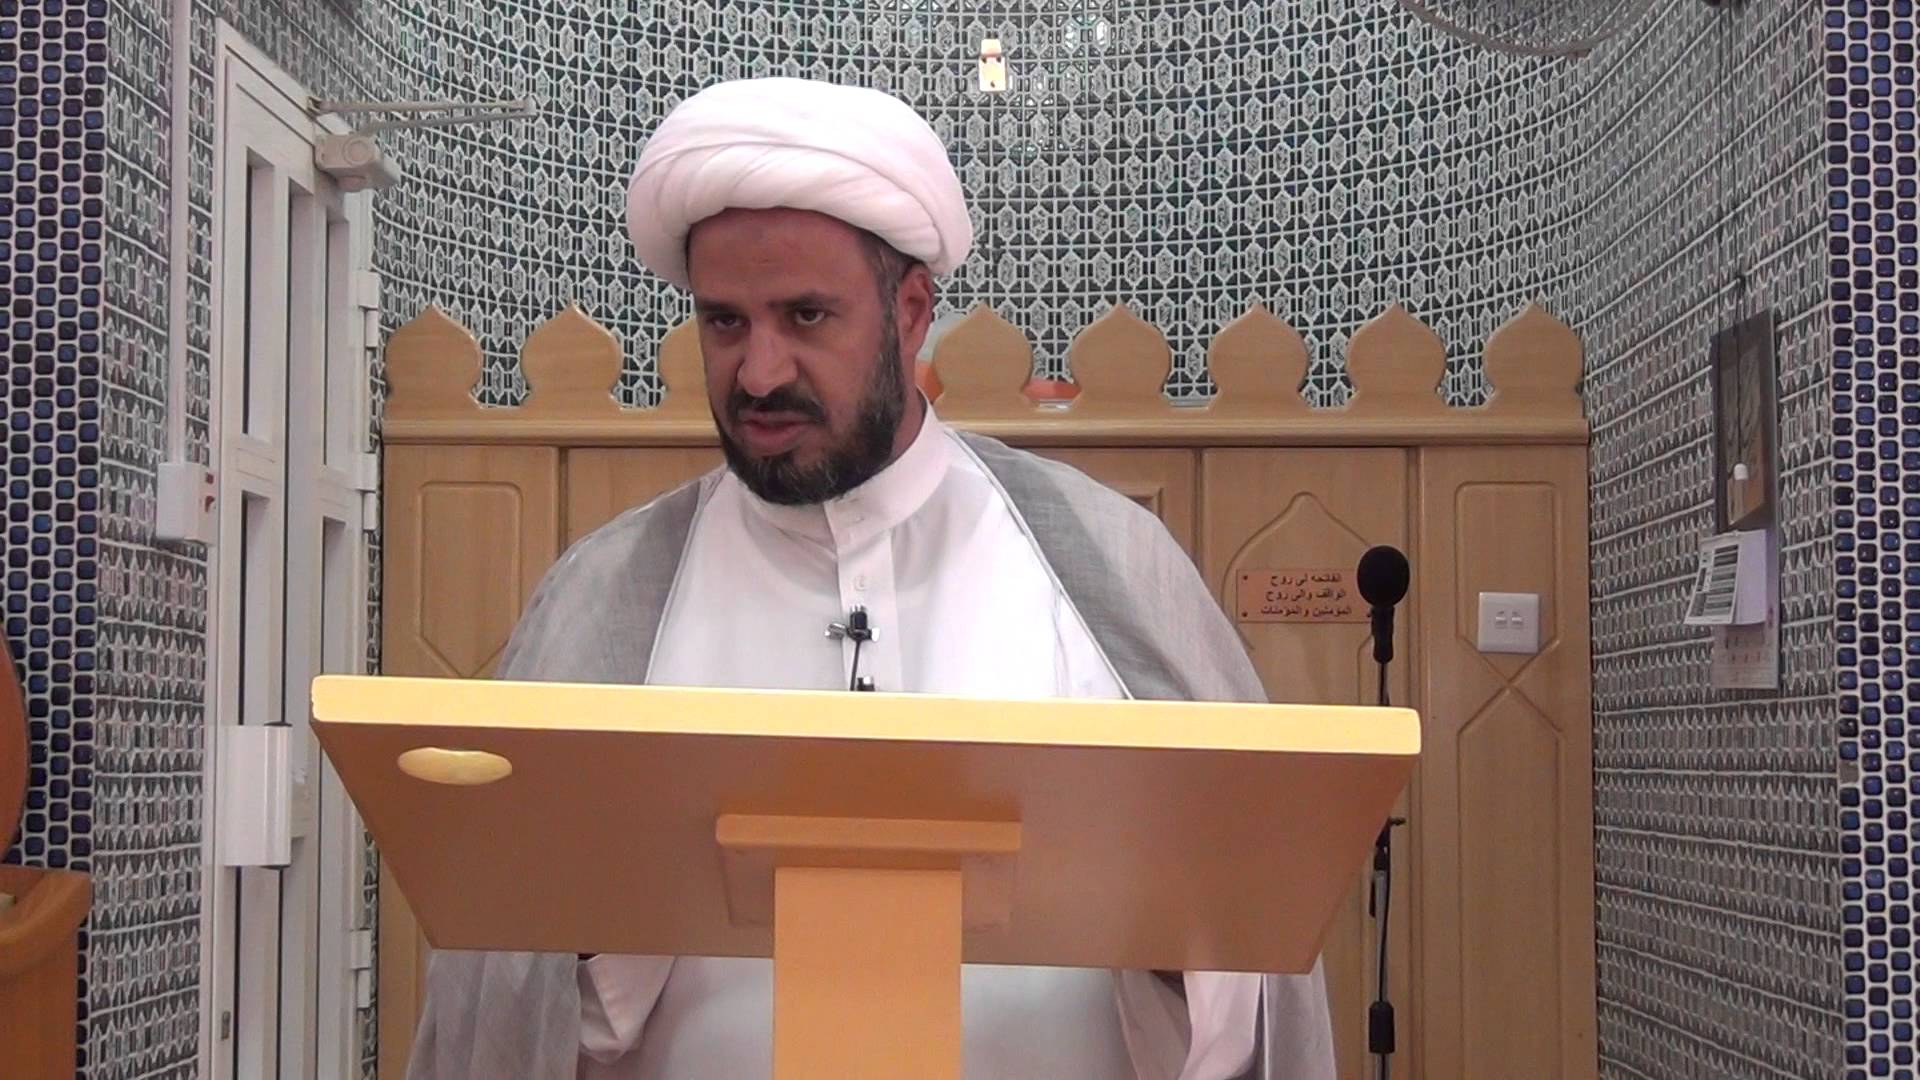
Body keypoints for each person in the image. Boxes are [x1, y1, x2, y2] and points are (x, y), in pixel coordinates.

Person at [403, 77, 1335, 1080]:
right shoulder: (607, 597)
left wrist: (1159, 932)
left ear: (911, 311)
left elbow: (1250, 981)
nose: (759, 373)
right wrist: (630, 894)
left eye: (806, 315)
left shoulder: (1107, 564)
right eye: (726, 323)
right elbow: (507, 1012)